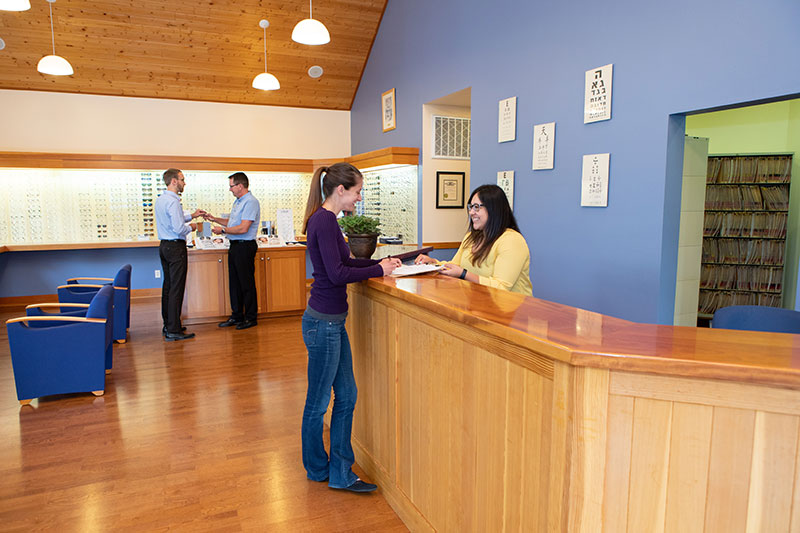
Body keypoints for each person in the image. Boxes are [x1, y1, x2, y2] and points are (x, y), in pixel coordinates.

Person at [300, 162, 401, 493]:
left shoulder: (326, 219)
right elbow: (337, 274)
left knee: (347, 395)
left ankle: (341, 470)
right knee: (318, 404)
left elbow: (343, 263)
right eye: (357, 192)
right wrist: (377, 271)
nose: (359, 198)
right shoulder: (325, 220)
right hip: (324, 325)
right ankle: (318, 469)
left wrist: (378, 264)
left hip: (331, 323)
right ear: (340, 190)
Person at [416, 184, 533, 295]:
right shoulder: (471, 237)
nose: (471, 212)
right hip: (478, 304)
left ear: (494, 210)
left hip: (511, 311)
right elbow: (454, 266)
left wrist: (464, 274)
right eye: (471, 207)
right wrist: (434, 263)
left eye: (477, 207)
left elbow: (501, 287)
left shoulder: (511, 240)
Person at [204, 172, 261, 330]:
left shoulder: (250, 202)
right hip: (235, 245)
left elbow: (243, 228)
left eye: (231, 186)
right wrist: (214, 219)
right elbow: (232, 222)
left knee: (246, 283)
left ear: (240, 186)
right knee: (235, 283)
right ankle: (237, 316)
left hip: (245, 246)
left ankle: (250, 318)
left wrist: (222, 231)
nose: (230, 189)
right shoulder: (238, 202)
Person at [155, 168, 205, 341]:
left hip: (164, 246)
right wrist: (193, 226)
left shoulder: (162, 199)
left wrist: (192, 215)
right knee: (177, 288)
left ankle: (169, 324)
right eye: (182, 179)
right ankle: (174, 330)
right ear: (174, 181)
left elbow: (173, 219)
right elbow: (178, 228)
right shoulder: (174, 202)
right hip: (176, 248)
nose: (185, 183)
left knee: (168, 286)